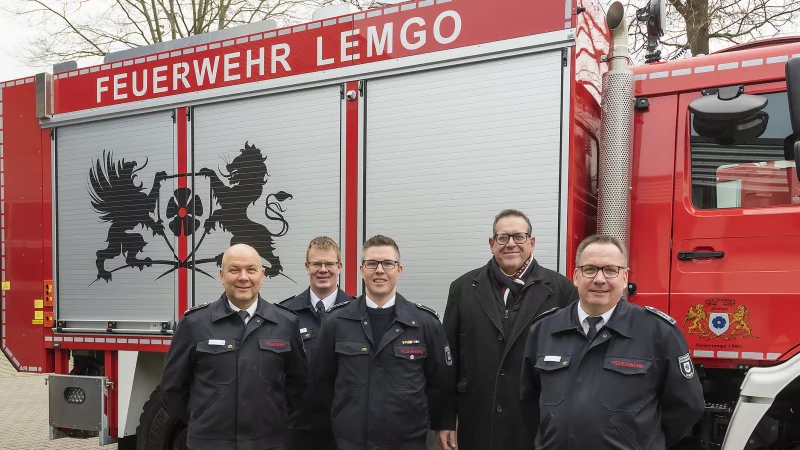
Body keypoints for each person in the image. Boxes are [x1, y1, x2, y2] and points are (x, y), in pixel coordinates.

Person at [520, 234, 705, 449]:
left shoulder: (658, 333)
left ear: (625, 278)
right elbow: (529, 402)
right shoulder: (544, 329)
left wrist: (643, 442)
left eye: (610, 270)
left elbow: (687, 406)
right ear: (576, 276)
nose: (599, 279)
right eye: (590, 269)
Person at [442, 209, 578, 450]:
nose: (510, 244)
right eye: (503, 237)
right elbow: (448, 360)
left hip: (534, 423)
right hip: (477, 421)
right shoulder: (462, 288)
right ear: (492, 244)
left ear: (532, 243)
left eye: (519, 237)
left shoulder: (562, 291)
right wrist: (445, 419)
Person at [311, 235, 456, 450]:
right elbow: (321, 380)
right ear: (362, 270)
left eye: (388, 263)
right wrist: (344, 413)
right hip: (352, 441)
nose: (379, 270)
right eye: (371, 263)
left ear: (399, 270)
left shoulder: (425, 323)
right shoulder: (336, 321)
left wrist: (442, 422)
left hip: (408, 440)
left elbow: (441, 383)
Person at [160, 244, 308, 450]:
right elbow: (172, 385)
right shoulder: (194, 323)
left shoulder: (286, 322)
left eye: (251, 269)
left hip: (268, 442)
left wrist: (276, 416)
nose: (243, 277)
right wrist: (203, 415)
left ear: (262, 275)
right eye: (234, 270)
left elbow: (298, 384)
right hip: (209, 443)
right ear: (222, 275)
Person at [280, 236, 354, 450]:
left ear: (339, 266)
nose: (323, 269)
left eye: (329, 264)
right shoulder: (286, 314)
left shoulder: (357, 314)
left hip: (345, 427)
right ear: (307, 266)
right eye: (316, 264)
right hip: (297, 427)